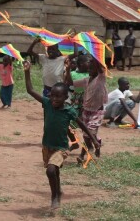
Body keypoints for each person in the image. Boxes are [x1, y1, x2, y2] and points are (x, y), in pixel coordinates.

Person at [23, 60, 99, 209]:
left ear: (65, 98)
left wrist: (93, 138)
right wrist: (27, 72)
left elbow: (82, 124)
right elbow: (30, 90)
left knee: (51, 170)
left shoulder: (69, 110)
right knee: (54, 171)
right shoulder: (47, 103)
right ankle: (58, 191)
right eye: (52, 96)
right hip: (47, 146)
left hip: (61, 148)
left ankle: (54, 197)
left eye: (58, 97)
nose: (54, 99)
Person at [65, 55, 107, 160]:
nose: (89, 70)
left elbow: (101, 67)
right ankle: (96, 142)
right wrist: (68, 69)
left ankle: (88, 150)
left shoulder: (100, 78)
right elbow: (70, 83)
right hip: (86, 110)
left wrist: (94, 54)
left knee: (89, 132)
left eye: (91, 68)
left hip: (97, 111)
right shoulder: (86, 80)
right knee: (86, 134)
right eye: (89, 68)